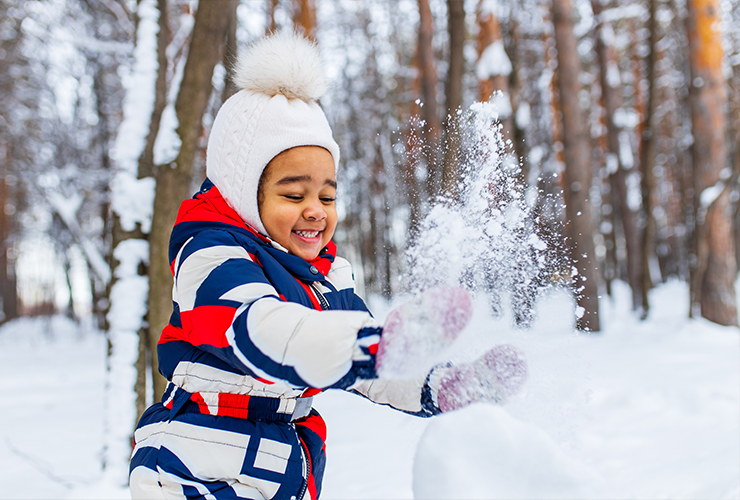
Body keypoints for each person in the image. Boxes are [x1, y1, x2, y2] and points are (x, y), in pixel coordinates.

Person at [129, 31, 525, 500]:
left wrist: (438, 385)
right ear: (243, 194)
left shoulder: (326, 275)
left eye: (328, 195)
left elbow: (362, 364)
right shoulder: (211, 253)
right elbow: (261, 331)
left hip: (277, 466)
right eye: (293, 195)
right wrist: (370, 347)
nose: (316, 209)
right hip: (194, 464)